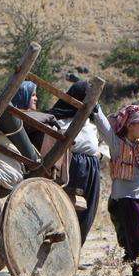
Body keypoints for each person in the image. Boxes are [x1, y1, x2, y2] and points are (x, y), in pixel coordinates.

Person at [95, 103, 139, 276]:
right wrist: (96, 108)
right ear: (130, 125)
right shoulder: (116, 143)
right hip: (128, 196)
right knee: (134, 236)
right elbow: (104, 128)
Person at [49, 81, 102, 244]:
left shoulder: (91, 121)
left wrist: (98, 154)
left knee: (88, 211)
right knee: (68, 208)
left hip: (92, 167)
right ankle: (63, 248)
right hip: (72, 165)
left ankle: (76, 248)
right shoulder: (59, 119)